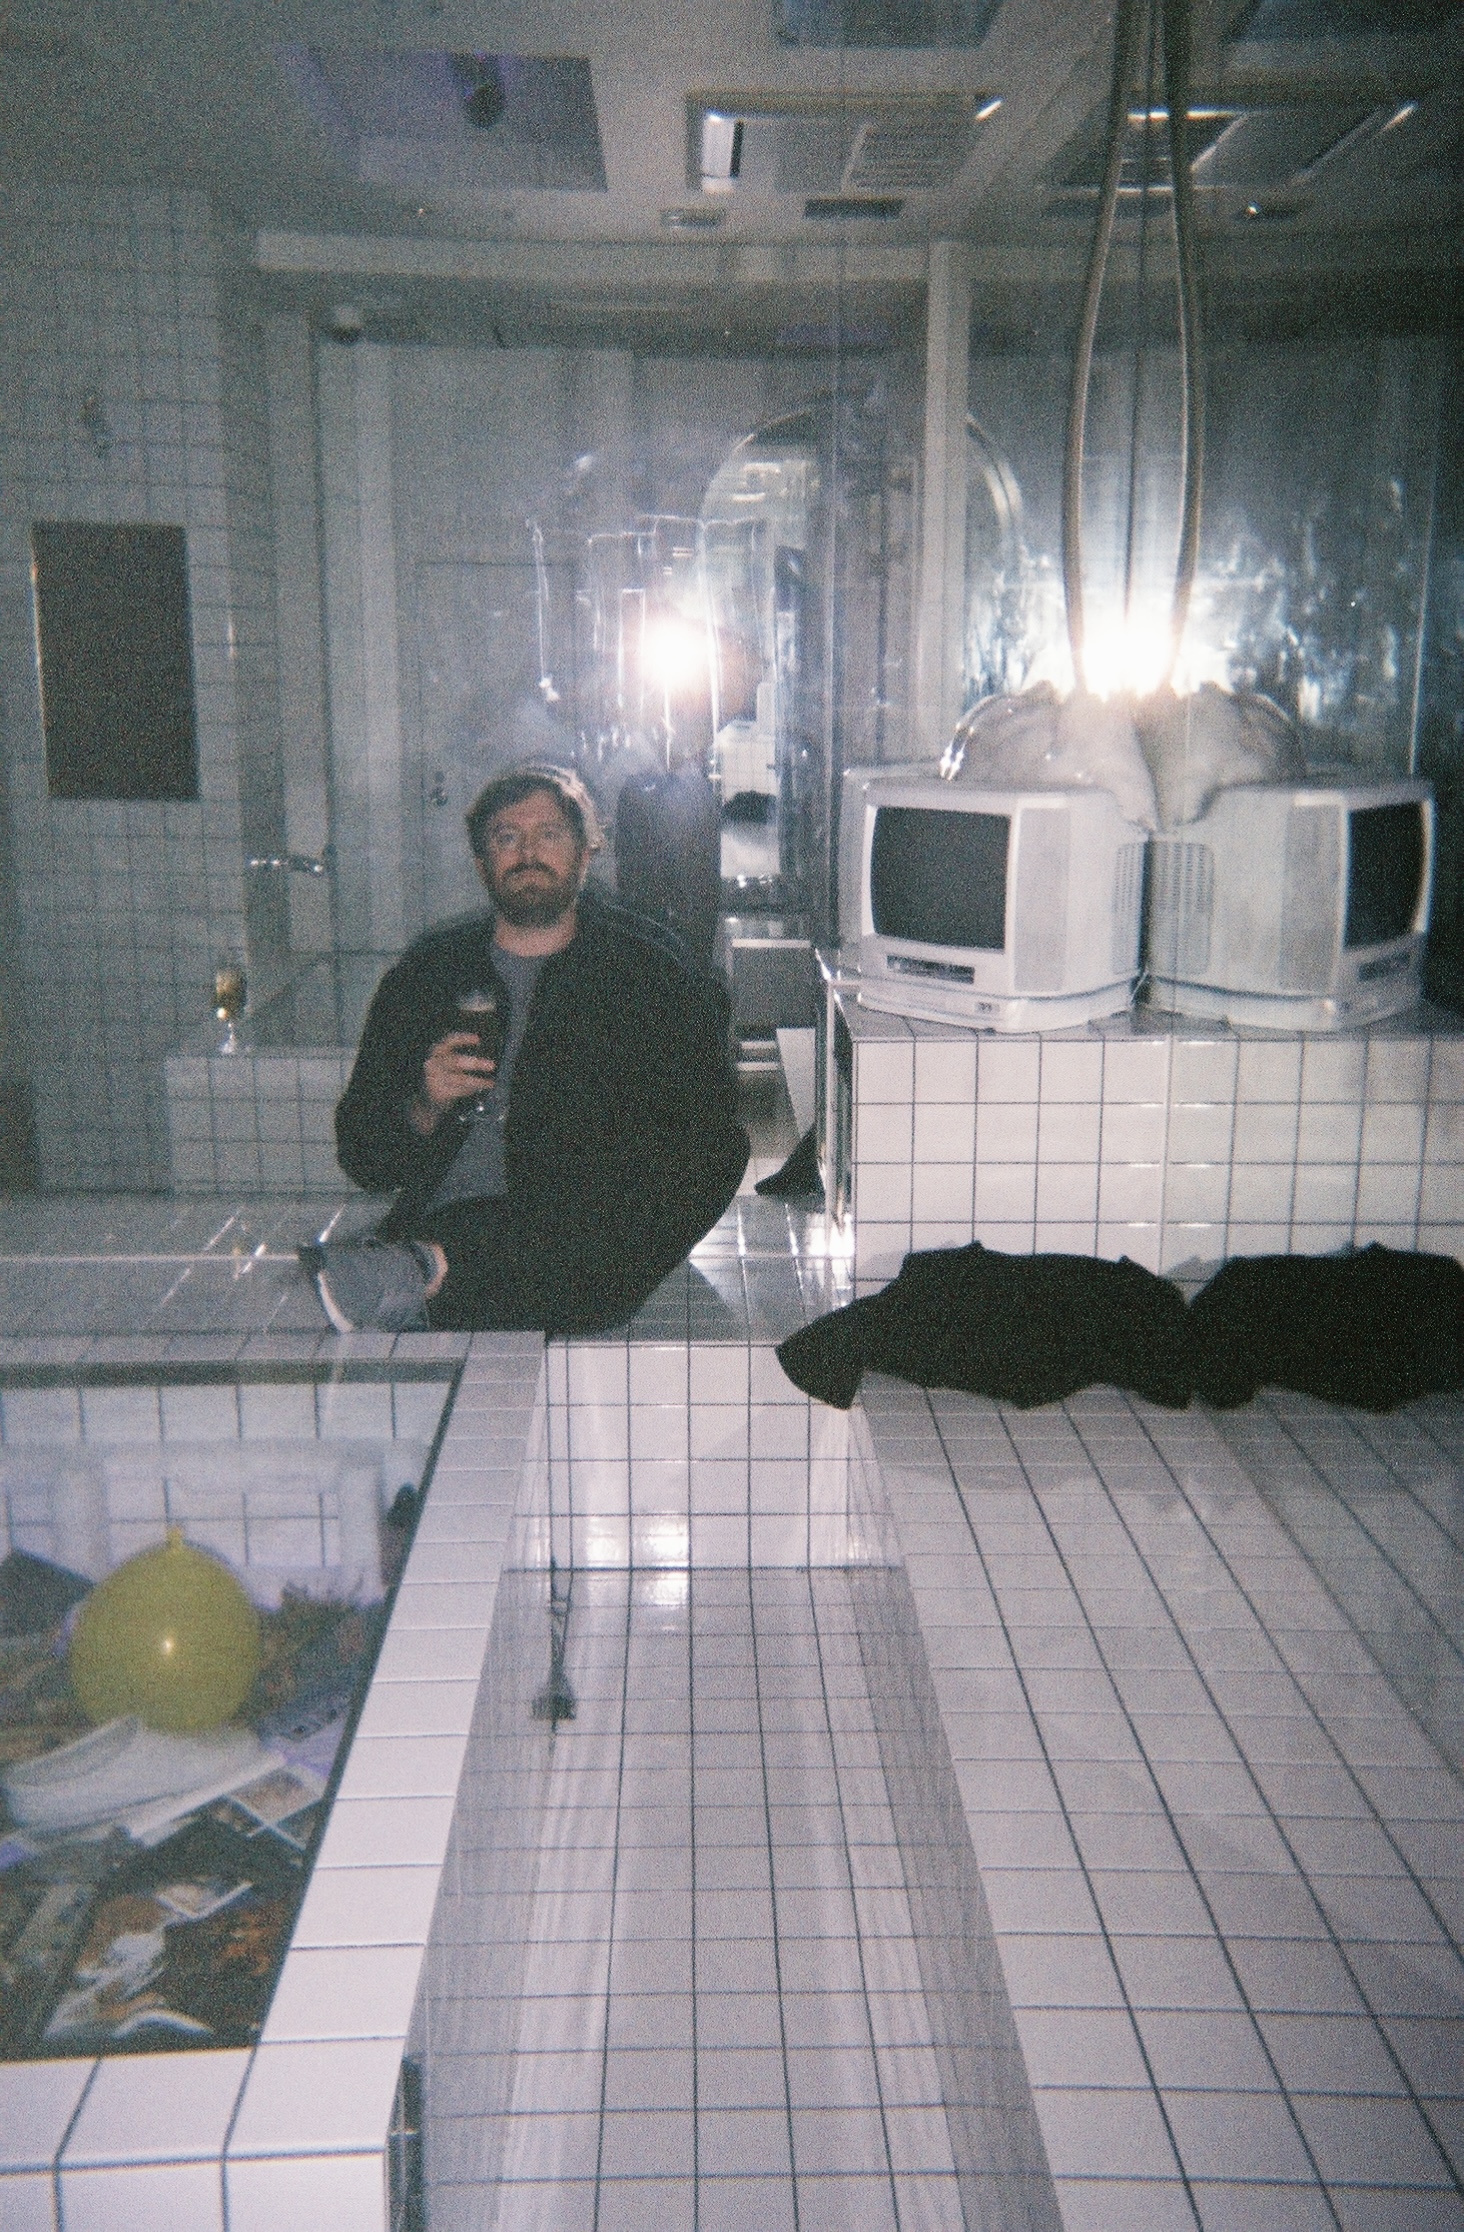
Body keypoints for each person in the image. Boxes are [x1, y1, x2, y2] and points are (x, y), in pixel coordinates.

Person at [300, 764, 749, 1334]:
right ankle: (436, 1270)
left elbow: (711, 1142)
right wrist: (424, 1105)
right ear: (482, 863)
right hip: (453, 1220)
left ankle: (430, 1272)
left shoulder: (646, 976)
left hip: (584, 1225)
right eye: (507, 838)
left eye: (549, 835)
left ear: (586, 853)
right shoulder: (426, 977)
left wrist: (630, 1220)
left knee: (611, 1219)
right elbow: (363, 1158)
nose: (528, 853)